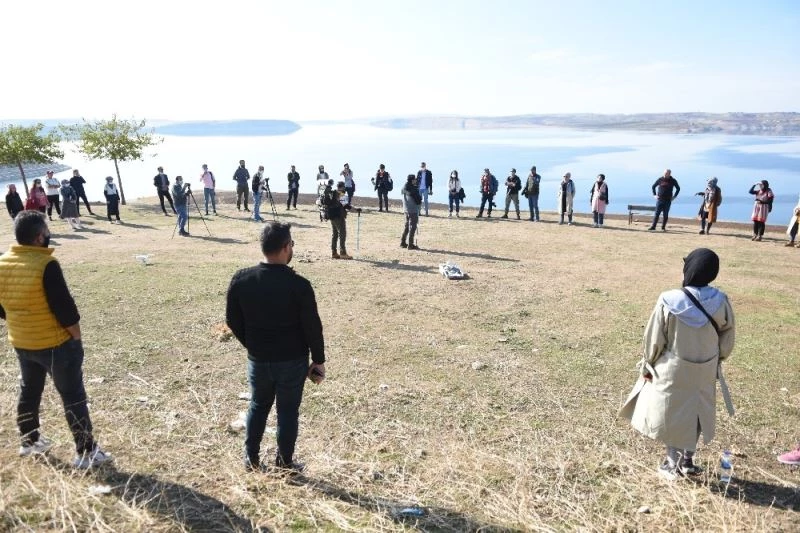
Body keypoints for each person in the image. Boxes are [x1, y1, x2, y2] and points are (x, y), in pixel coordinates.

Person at [0, 211, 113, 468]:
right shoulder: (46, 265)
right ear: (39, 237)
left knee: (29, 391)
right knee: (73, 395)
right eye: (47, 231)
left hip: (22, 342)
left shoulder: (2, 263)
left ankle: (29, 440)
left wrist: (22, 322)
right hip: (55, 345)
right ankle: (86, 451)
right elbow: (65, 309)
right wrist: (76, 337)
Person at [619, 248, 735, 481]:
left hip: (673, 368)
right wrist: (716, 360)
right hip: (705, 368)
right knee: (698, 413)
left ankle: (672, 464)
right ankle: (687, 461)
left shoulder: (668, 299)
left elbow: (654, 338)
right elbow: (727, 339)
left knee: (675, 415)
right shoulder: (721, 300)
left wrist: (649, 362)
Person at [225, 222, 326, 472]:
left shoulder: (241, 279)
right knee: (288, 412)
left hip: (258, 360)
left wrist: (252, 344)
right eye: (291, 244)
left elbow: (232, 320)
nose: (292, 248)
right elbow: (312, 326)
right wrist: (318, 360)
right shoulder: (299, 285)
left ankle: (251, 459)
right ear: (285, 247)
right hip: (292, 361)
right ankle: (284, 463)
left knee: (258, 406)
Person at [322, 180, 352, 259]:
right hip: (339, 217)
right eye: (344, 187)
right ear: (342, 187)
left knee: (335, 234)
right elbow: (346, 206)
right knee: (342, 234)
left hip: (331, 216)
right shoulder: (341, 194)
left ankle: (334, 252)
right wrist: (356, 209)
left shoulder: (332, 193)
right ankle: (343, 253)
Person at [401, 174, 422, 249]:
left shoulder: (404, 187)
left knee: (407, 227)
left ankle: (403, 242)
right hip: (413, 210)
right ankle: (410, 244)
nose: (416, 180)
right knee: (413, 227)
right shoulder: (413, 189)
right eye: (415, 179)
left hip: (406, 210)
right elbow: (418, 200)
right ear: (412, 180)